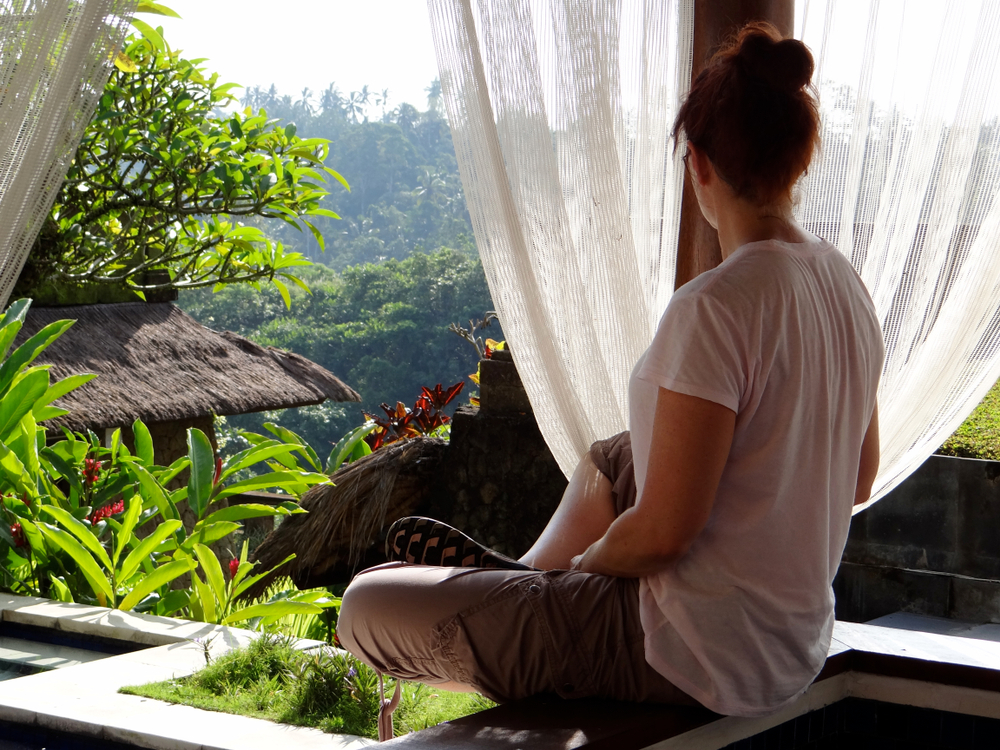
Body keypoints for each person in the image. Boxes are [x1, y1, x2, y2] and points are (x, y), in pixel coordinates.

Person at [337, 21, 883, 725]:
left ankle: (534, 586)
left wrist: (585, 566)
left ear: (699, 164)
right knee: (617, 454)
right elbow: (859, 477)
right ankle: (525, 580)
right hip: (788, 649)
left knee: (367, 605)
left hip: (681, 653)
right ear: (799, 162)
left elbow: (664, 535)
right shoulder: (846, 286)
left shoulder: (714, 308)